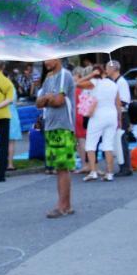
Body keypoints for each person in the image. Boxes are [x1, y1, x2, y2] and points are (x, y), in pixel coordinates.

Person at [36, 57, 76, 218]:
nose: (45, 62)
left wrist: (48, 98)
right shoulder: (49, 77)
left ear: (58, 58)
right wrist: (48, 98)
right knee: (59, 169)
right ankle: (67, 205)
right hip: (51, 126)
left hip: (62, 126)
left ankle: (62, 206)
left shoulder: (64, 75)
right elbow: (38, 103)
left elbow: (59, 101)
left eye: (48, 58)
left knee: (62, 168)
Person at [78, 63, 122, 182]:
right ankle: (110, 173)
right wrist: (119, 119)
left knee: (90, 144)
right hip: (112, 115)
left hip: (98, 115)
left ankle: (93, 172)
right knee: (108, 145)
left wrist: (90, 75)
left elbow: (77, 83)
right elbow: (118, 104)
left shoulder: (94, 82)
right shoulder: (113, 84)